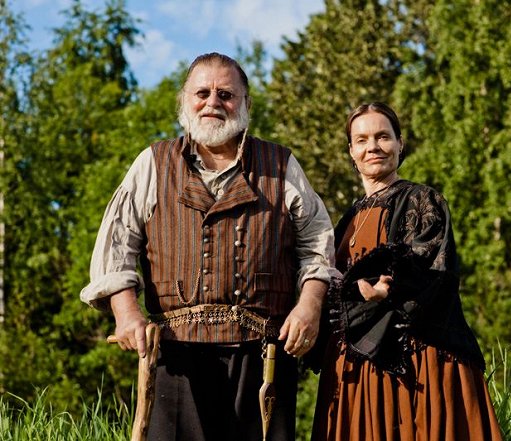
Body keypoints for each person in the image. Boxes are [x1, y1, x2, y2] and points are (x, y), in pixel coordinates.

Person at [80, 52, 338, 441]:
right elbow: (116, 245)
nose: (213, 102)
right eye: (202, 92)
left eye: (226, 94)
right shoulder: (153, 162)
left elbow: (318, 243)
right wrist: (126, 313)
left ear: (246, 104)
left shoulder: (281, 165)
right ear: (184, 101)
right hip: (174, 357)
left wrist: (309, 306)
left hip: (264, 358)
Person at [310, 102, 503, 440]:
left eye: (383, 136)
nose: (373, 147)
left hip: (416, 360)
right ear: (351, 151)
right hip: (357, 368)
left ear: (400, 143)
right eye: (362, 139)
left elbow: (426, 268)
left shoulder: (422, 200)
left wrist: (374, 285)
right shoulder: (347, 218)